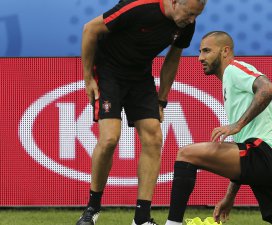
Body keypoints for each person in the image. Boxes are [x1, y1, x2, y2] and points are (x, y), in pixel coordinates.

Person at [164, 31, 272, 225]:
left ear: (225, 51)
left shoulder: (234, 69)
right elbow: (242, 151)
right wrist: (230, 196)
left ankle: (173, 224)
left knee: (187, 154)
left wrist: (237, 125)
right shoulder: (229, 83)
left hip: (266, 154)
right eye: (200, 52)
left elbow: (268, 88)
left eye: (206, 51)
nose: (200, 58)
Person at [76, 0, 207, 225]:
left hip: (140, 77)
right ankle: (92, 209)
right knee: (109, 139)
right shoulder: (139, 6)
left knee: (154, 138)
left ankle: (141, 218)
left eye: (196, 15)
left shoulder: (185, 24)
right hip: (109, 72)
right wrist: (88, 78)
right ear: (174, 2)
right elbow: (90, 29)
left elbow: (172, 58)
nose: (192, 20)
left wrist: (162, 100)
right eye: (190, 13)